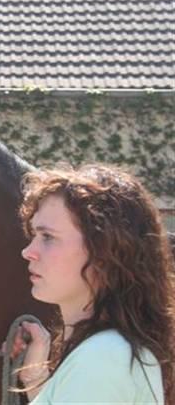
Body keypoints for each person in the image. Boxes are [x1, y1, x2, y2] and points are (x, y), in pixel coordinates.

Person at [10, 164, 174, 403]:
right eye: (34, 235)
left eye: (48, 237)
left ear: (104, 252)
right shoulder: (109, 355)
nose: (28, 251)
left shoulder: (106, 357)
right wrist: (36, 378)